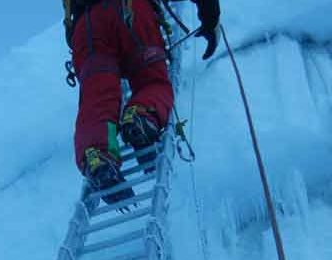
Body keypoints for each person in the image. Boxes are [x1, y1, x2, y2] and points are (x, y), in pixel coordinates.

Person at [64, 0, 221, 204]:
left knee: (98, 99)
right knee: (151, 81)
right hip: (131, 11)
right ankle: (141, 115)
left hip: (86, 28)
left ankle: (98, 155)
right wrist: (210, 17)